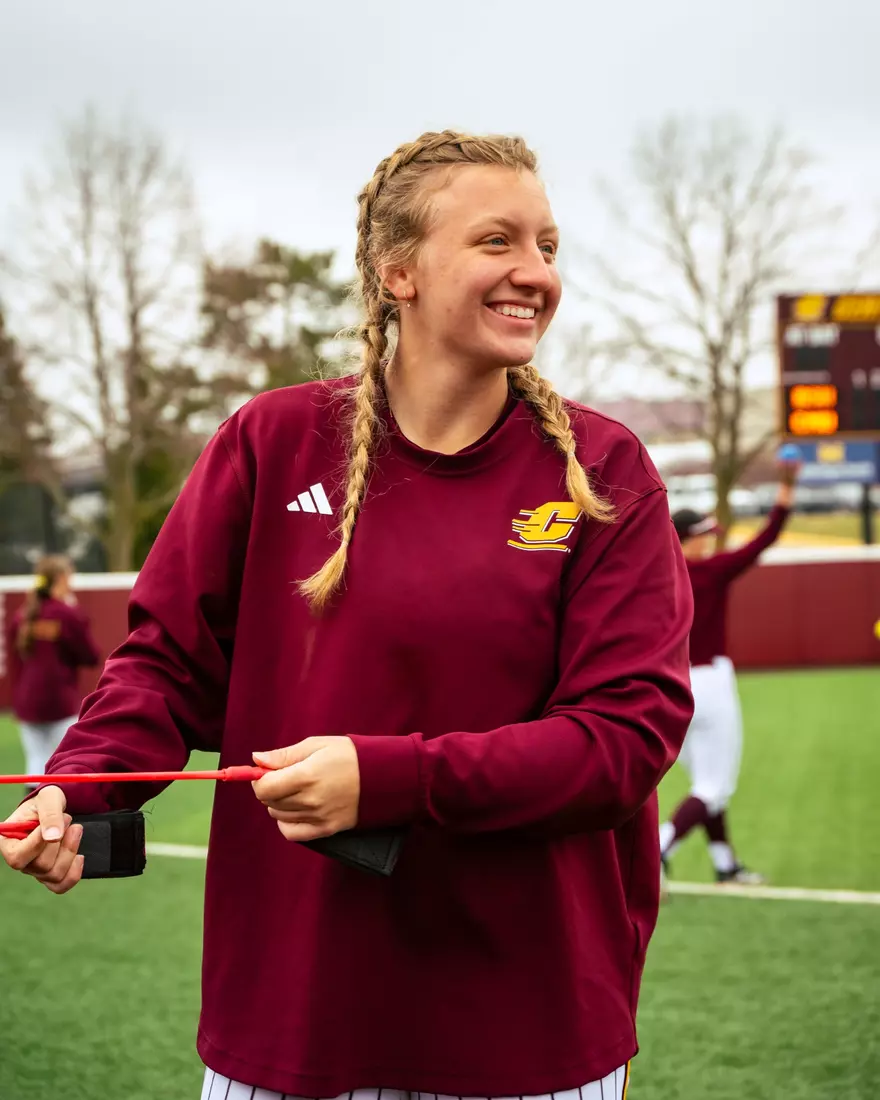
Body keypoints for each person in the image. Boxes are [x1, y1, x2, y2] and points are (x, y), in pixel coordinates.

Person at [0, 131, 694, 1100]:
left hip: (525, 1021)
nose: (534, 272)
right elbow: (164, 663)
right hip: (293, 1012)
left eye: (547, 245)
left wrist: (391, 776)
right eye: (498, 241)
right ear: (395, 270)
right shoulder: (268, 441)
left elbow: (625, 737)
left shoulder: (605, 469)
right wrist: (79, 788)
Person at [661, 460, 799, 889]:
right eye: (703, 537)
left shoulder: (655, 576)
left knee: (708, 783)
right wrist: (786, 489)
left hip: (673, 689)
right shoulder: (711, 571)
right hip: (711, 685)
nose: (709, 543)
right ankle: (658, 848)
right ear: (686, 540)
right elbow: (767, 538)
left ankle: (725, 865)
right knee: (714, 787)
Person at [6, 555, 100, 792]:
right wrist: (76, 610)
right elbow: (90, 655)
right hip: (60, 700)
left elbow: (16, 660)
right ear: (60, 578)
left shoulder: (23, 615)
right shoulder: (66, 614)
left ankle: (31, 817)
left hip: (28, 701)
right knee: (69, 761)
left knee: (36, 760)